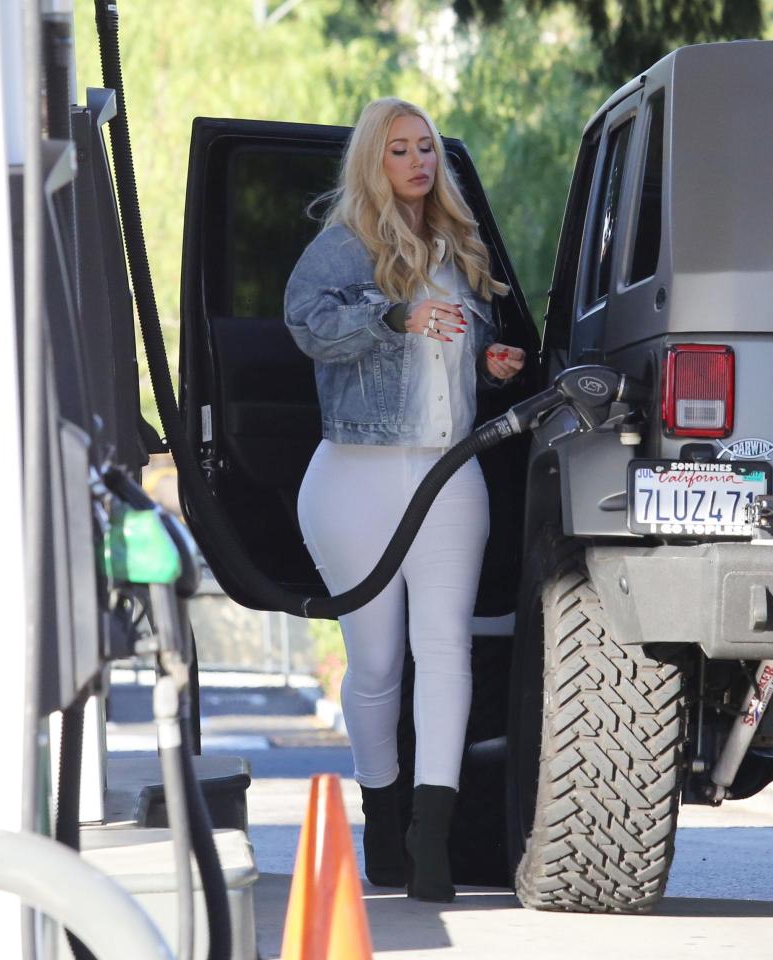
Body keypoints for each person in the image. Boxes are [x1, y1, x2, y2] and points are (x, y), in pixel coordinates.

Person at [284, 97, 525, 902]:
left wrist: (489, 361)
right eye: (400, 149)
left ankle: (431, 838)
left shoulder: (458, 245)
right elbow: (307, 324)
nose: (419, 161)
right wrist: (394, 315)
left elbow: (454, 351)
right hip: (356, 474)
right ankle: (381, 820)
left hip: (449, 471)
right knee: (379, 662)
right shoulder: (341, 246)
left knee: (445, 649)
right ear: (372, 161)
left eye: (426, 147)